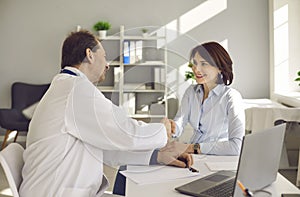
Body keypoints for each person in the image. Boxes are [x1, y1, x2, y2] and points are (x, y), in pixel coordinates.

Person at [19, 30, 192, 197]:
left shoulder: (67, 87)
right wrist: (162, 130)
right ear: (90, 54)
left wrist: (157, 156)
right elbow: (124, 131)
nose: (108, 64)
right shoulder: (76, 89)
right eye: (104, 56)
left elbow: (104, 145)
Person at [170, 41, 245, 156]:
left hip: (218, 157)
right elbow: (180, 121)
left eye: (204, 64)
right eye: (195, 63)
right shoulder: (191, 92)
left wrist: (190, 148)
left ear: (220, 68)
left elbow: (236, 146)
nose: (196, 69)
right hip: (193, 155)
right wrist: (171, 127)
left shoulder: (231, 97)